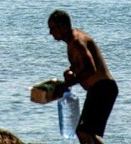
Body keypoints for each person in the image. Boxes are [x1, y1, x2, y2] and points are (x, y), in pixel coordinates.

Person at [48, 9, 118, 144]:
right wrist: (71, 70)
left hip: (102, 88)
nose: (50, 33)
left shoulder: (77, 42)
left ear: (62, 26)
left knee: (83, 132)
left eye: (52, 28)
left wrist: (65, 85)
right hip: (102, 89)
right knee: (89, 133)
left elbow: (91, 69)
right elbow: (82, 64)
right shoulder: (73, 39)